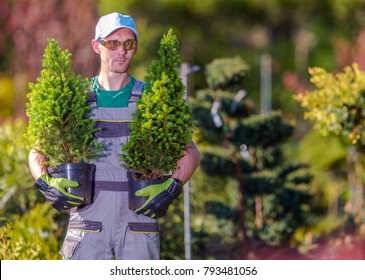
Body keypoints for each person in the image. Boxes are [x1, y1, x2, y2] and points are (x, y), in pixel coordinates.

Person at [28, 12, 201, 260]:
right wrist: (45, 183)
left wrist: (173, 186)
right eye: (113, 43)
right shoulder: (76, 99)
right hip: (88, 222)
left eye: (129, 44)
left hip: (138, 223)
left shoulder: (153, 99)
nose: (122, 51)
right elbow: (38, 150)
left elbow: (191, 152)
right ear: (96, 46)